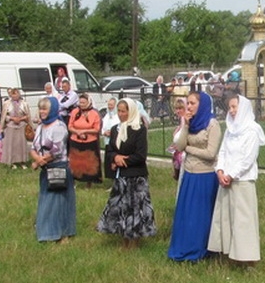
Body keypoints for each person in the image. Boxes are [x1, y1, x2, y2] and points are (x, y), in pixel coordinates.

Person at [208, 95, 265, 268]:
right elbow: (223, 151)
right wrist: (219, 171)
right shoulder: (230, 129)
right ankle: (230, 254)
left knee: (244, 221)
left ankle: (249, 260)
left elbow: (248, 158)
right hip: (225, 180)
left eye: (235, 107)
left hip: (242, 181)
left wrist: (231, 175)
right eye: (230, 108)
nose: (232, 111)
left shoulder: (252, 130)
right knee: (226, 219)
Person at [168, 91, 221, 262]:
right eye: (188, 103)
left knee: (200, 216)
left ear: (202, 104)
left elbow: (211, 153)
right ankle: (184, 247)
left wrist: (188, 150)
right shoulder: (191, 123)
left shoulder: (212, 124)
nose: (189, 107)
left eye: (192, 103)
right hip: (189, 173)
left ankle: (200, 249)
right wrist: (185, 125)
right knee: (186, 214)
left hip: (204, 175)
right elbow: (180, 144)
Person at [97, 98, 156, 248]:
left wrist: (126, 160)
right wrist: (115, 157)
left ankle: (135, 240)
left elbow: (141, 155)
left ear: (131, 111)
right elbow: (110, 149)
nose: (121, 114)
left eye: (124, 111)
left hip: (136, 176)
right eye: (119, 111)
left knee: (136, 209)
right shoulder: (117, 129)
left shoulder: (139, 129)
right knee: (122, 208)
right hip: (121, 176)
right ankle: (123, 238)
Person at [29, 97, 76, 243]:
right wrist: (37, 158)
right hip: (45, 168)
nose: (42, 112)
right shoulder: (41, 127)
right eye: (40, 108)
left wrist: (39, 162)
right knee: (46, 201)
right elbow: (33, 147)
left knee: (59, 202)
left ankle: (63, 234)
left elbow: (57, 150)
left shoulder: (59, 127)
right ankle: (47, 232)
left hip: (58, 168)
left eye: (45, 109)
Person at [67, 93, 102, 188]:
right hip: (75, 139)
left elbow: (96, 129)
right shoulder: (75, 112)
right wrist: (77, 132)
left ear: (89, 102)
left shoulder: (94, 114)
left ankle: (89, 182)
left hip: (90, 141)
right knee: (75, 161)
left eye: (84, 102)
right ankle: (74, 180)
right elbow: (70, 126)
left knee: (89, 162)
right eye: (80, 102)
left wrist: (85, 131)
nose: (81, 104)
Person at [0, 88, 30, 169]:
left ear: (19, 94)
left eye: (16, 94)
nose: (14, 96)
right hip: (11, 126)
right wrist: (12, 118)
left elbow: (28, 115)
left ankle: (22, 161)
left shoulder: (24, 104)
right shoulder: (7, 104)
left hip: (21, 125)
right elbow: (4, 116)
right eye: (13, 94)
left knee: (21, 144)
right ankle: (12, 162)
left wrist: (21, 119)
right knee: (12, 144)